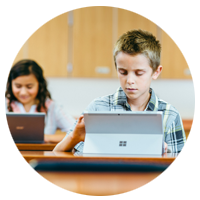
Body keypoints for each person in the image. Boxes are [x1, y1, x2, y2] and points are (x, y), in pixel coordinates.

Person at [53, 29, 188, 153]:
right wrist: (74, 137)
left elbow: (181, 167)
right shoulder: (97, 108)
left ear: (156, 72)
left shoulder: (170, 115)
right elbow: (56, 154)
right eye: (123, 72)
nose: (129, 80)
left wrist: (165, 153)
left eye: (139, 73)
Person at [5, 59, 75, 139]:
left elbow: (76, 132)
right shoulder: (4, 105)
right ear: (10, 84)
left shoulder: (52, 107)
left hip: (43, 152)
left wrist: (46, 138)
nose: (23, 92)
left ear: (40, 85)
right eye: (18, 86)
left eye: (29, 87)